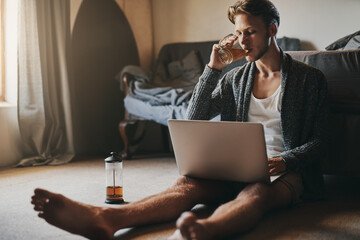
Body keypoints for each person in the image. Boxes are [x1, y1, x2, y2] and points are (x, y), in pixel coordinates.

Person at [31, 0, 329, 239]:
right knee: (186, 183)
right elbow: (194, 115)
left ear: (272, 30)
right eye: (238, 33)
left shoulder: (309, 79)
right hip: (237, 167)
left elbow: (320, 140)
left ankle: (204, 230)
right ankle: (106, 218)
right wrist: (213, 68)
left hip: (286, 172)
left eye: (250, 32)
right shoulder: (235, 79)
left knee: (257, 193)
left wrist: (286, 161)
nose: (243, 40)